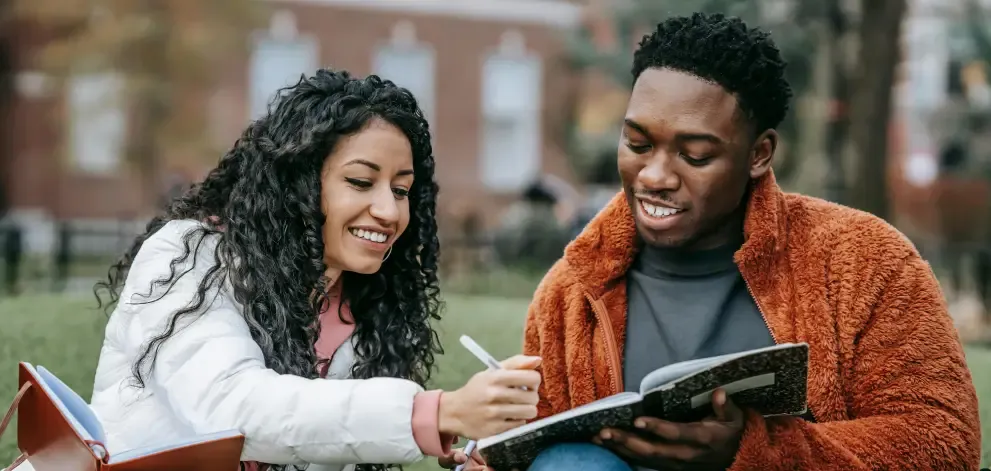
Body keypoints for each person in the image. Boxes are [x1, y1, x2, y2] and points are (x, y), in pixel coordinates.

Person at [449, 12, 983, 471]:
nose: (654, 174)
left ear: (759, 154)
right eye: (637, 143)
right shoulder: (572, 290)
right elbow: (536, 445)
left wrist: (756, 452)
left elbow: (943, 440)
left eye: (695, 154)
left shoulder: (863, 259)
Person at [58, 69, 542, 471]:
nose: (390, 211)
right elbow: (232, 410)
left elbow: (320, 439)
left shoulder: (364, 308)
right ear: (298, 183)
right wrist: (436, 412)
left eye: (400, 189)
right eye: (360, 181)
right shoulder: (190, 256)